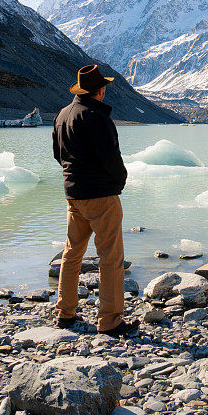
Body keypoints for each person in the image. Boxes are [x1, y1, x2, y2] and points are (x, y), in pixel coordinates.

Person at [52, 64, 138, 337]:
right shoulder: (96, 117)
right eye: (104, 87)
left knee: (72, 252)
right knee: (111, 257)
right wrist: (119, 182)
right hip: (101, 195)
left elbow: (58, 154)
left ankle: (65, 312)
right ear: (99, 91)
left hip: (73, 194)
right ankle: (110, 320)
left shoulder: (62, 115)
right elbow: (110, 158)